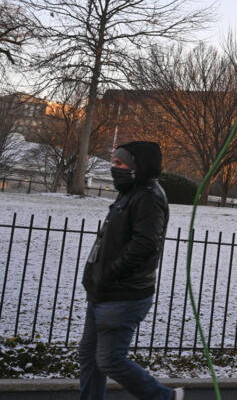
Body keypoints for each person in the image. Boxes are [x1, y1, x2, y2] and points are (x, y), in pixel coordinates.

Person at [79, 141, 183, 400]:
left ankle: (166, 398)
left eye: (119, 163)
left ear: (138, 166)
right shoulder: (131, 191)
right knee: (90, 357)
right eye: (114, 162)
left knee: (110, 360)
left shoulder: (148, 196)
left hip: (123, 294)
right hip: (103, 290)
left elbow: (146, 244)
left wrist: (110, 273)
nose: (114, 168)